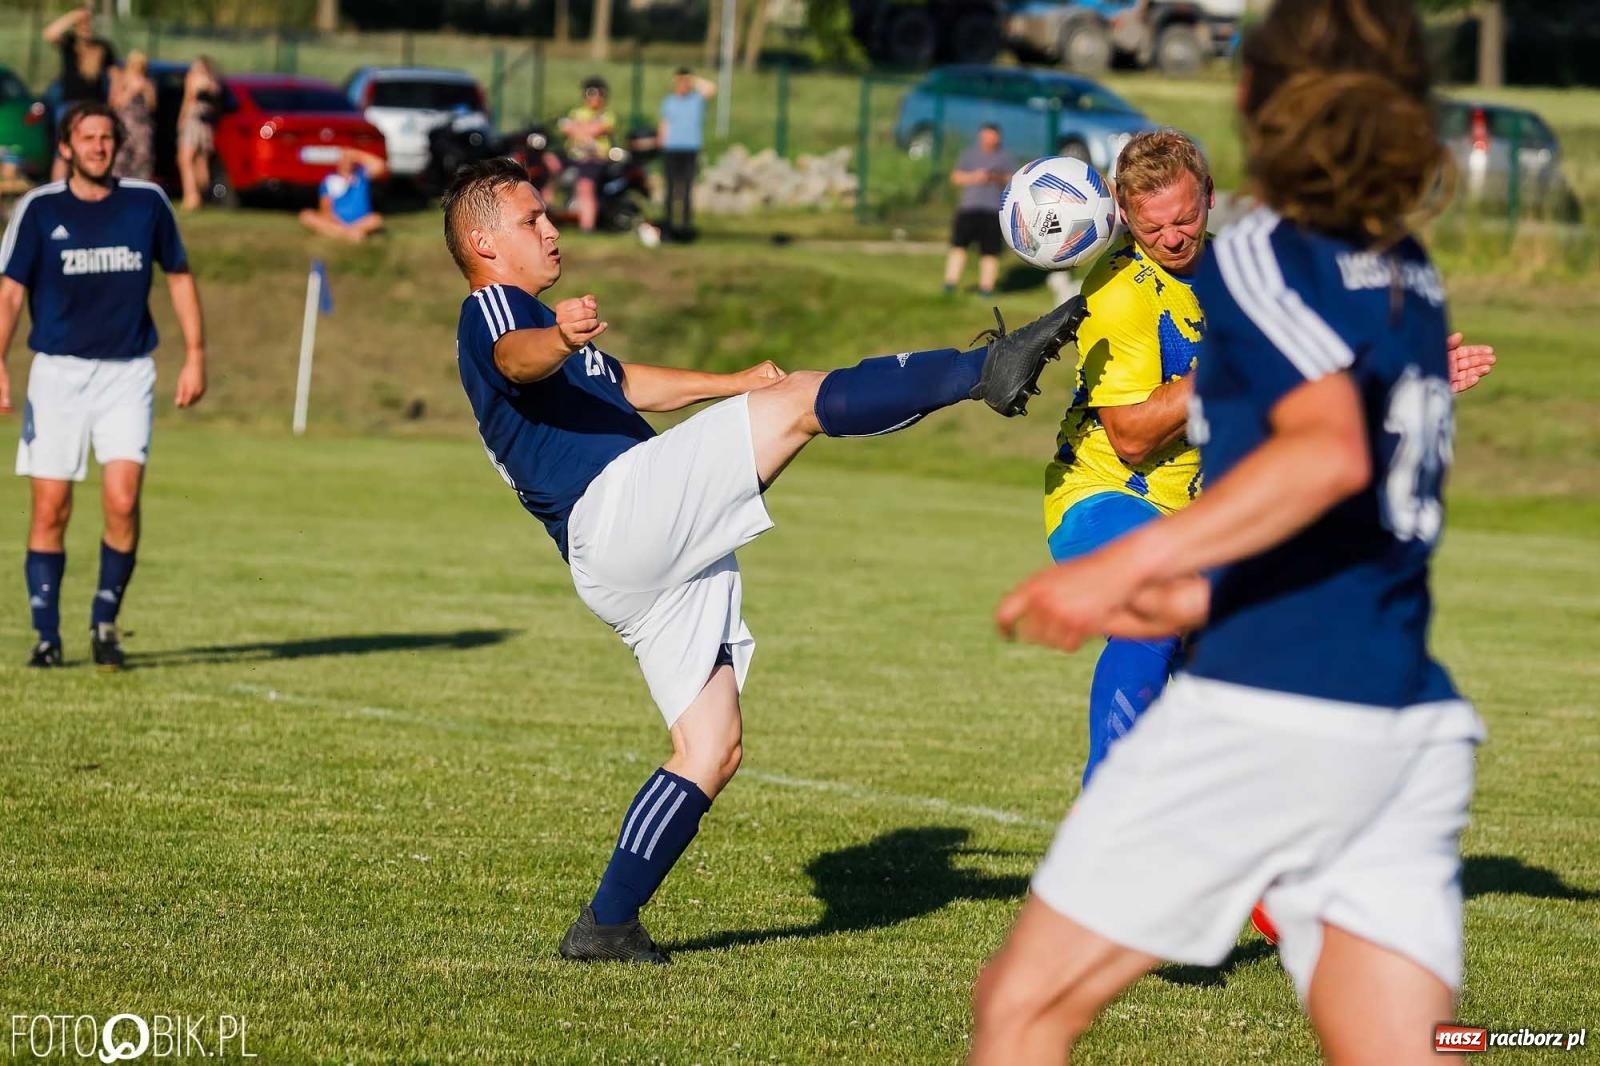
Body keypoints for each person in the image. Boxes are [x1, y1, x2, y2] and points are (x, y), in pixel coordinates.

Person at [972, 2, 1489, 1062]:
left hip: (1275, 705)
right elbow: (1345, 478)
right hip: (1406, 706)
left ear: (1254, 106)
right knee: (1410, 1042)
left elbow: (1328, 453)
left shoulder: (1256, 261)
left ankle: (1119, 815)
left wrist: (1137, 565)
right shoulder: (1406, 274)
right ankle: (1545, 1039)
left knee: (1021, 1014)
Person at [441, 157, 1085, 964]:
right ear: (483, 243)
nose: (551, 227)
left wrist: (730, 381)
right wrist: (558, 335)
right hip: (617, 513)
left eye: (547, 214)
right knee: (798, 405)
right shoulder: (496, 311)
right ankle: (978, 371)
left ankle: (606, 925)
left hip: (626, 560)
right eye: (531, 218)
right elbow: (514, 359)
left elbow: (629, 382)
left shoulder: (546, 333)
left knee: (711, 748)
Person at [1046, 130, 1495, 794]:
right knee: (1160, 611)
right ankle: (1102, 821)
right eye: (1153, 227)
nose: (1172, 237)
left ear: (1210, 196)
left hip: (1206, 514)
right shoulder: (1120, 292)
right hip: (1103, 498)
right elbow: (1131, 438)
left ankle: (1261, 873)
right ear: (1124, 213)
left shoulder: (1244, 279)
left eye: (1186, 218)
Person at [0, 102, 207, 670]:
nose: (98, 146)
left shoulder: (146, 203)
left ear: (117, 145)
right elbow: (11, 293)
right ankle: (47, 635)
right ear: (66, 146)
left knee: (122, 500)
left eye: (106, 138)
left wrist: (196, 355)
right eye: (86, 137)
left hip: (127, 371)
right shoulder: (39, 209)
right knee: (50, 509)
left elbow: (181, 277)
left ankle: (105, 622)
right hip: (57, 374)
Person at [43, 5, 116, 182]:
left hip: (95, 107)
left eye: (88, 22)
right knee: (64, 151)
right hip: (70, 105)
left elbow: (115, 76)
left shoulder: (102, 47)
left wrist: (113, 105)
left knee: (94, 150)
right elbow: (49, 33)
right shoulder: (70, 42)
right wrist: (74, 15)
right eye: (82, 23)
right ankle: (58, 191)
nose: (86, 26)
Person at [944, 124, 1015, 298]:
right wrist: (974, 177)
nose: (989, 139)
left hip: (992, 210)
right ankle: (950, 283)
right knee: (959, 246)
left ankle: (986, 288)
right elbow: (956, 177)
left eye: (993, 136)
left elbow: (1012, 179)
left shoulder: (1005, 157)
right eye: (986, 136)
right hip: (969, 208)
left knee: (990, 251)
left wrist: (994, 177)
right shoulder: (969, 155)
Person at [656, 67, 715, 241]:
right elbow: (664, 123)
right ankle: (668, 225)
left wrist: (693, 80)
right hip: (672, 149)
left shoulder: (696, 100)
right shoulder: (669, 102)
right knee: (670, 189)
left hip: (690, 149)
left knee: (687, 189)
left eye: (684, 82)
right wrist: (661, 141)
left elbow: (711, 88)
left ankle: (685, 227)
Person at [558, 76, 617, 234]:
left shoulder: (607, 115)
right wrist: (584, 129)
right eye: (591, 94)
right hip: (573, 156)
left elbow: (596, 129)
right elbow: (566, 129)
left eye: (599, 94)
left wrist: (579, 129)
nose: (595, 98)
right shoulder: (576, 112)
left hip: (594, 158)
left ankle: (587, 227)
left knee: (585, 185)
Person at [299, 148, 388, 242]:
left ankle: (338, 233)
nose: (346, 162)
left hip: (361, 222)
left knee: (376, 219)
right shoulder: (329, 181)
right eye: (344, 159)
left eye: (349, 159)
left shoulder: (361, 176)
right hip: (337, 222)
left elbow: (380, 166)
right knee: (306, 215)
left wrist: (357, 155)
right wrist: (334, 220)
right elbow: (325, 209)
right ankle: (349, 234)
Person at [177, 57, 220, 211]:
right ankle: (204, 195)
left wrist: (181, 119)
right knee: (201, 161)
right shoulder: (213, 82)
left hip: (193, 120)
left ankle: (191, 197)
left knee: (185, 160)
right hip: (206, 125)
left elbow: (189, 99)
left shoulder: (193, 78)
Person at [108, 51, 157, 182]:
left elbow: (152, 106)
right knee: (121, 157)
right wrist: (131, 91)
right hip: (124, 124)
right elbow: (114, 103)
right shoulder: (121, 79)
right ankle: (118, 184)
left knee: (143, 157)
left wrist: (146, 90)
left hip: (142, 126)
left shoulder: (148, 82)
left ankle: (139, 184)